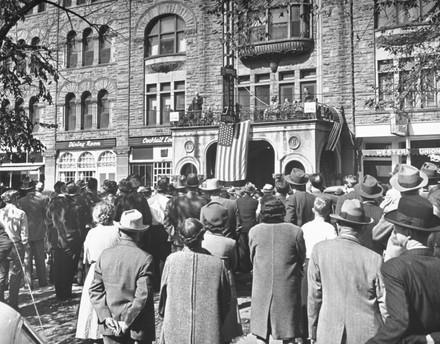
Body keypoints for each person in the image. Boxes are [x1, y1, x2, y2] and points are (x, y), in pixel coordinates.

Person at [308, 199, 387, 344]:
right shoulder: (374, 259)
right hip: (366, 334)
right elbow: (384, 304)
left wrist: (313, 330)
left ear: (338, 225)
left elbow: (314, 296)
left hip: (329, 331)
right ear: (363, 228)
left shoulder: (319, 251)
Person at [366, 195, 440, 344]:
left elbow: (399, 322)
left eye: (396, 227)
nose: (393, 232)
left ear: (408, 234)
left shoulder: (394, 268)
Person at [159, 218, 231, 344]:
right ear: (202, 236)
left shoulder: (171, 261)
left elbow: (162, 299)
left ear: (181, 238)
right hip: (209, 331)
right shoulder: (218, 264)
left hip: (175, 328)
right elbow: (225, 301)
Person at [90, 209, 154, 344]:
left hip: (110, 326)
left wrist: (106, 317)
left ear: (119, 232)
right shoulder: (145, 258)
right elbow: (143, 295)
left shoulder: (104, 255)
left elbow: (95, 290)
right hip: (137, 327)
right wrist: (126, 321)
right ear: (140, 234)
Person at [249, 198, 305, 344]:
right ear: (282, 212)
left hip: (262, 285)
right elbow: (301, 257)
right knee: (289, 331)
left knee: (262, 332)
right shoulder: (295, 231)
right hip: (287, 285)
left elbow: (252, 258)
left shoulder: (254, 231)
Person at [76, 202, 120, 342]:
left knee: (94, 302)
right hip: (115, 269)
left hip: (96, 269)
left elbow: (87, 257)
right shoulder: (118, 230)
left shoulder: (92, 233)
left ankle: (94, 332)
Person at [201, 202, 243, 343]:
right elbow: (234, 264)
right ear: (224, 222)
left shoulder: (200, 241)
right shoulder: (229, 243)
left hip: (204, 280)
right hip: (225, 281)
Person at [46, 181, 92, 299]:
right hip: (71, 240)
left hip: (56, 239)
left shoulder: (53, 204)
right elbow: (80, 225)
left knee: (58, 266)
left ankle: (59, 293)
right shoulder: (76, 206)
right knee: (68, 267)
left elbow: (47, 220)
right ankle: (65, 293)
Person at [373, 164, 428, 260]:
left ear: (400, 190)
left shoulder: (394, 210)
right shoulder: (429, 207)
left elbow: (376, 234)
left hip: (397, 261)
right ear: (419, 188)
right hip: (426, 258)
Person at [300, 197, 336, 339]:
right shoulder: (330, 228)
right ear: (327, 212)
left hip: (308, 263)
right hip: (324, 264)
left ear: (313, 210)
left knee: (307, 298)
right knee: (322, 298)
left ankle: (306, 332)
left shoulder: (305, 227)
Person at [17, 177, 49, 288]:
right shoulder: (42, 200)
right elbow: (45, 216)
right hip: (39, 232)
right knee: (40, 259)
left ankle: (28, 283)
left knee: (27, 259)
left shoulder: (20, 202)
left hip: (25, 233)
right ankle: (42, 281)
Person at [0, 190, 28, 310]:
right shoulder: (20, 213)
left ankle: (1, 303)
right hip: (16, 245)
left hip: (2, 246)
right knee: (15, 276)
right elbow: (24, 234)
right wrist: (24, 245)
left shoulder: (0, 212)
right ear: (15, 199)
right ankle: (13, 304)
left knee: (1, 274)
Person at [146, 177, 171, 291]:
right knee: (163, 256)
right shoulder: (169, 201)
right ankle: (162, 281)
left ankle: (154, 282)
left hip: (152, 230)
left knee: (153, 255)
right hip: (164, 229)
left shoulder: (149, 201)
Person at [354, 174, 384, 254]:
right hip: (377, 254)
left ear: (361, 195)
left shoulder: (356, 212)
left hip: (359, 253)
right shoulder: (382, 213)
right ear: (376, 196)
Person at [235, 182, 259, 272]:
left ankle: (243, 267)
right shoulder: (255, 201)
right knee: (251, 247)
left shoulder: (238, 201)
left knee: (242, 248)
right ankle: (251, 265)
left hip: (242, 226)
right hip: (251, 226)